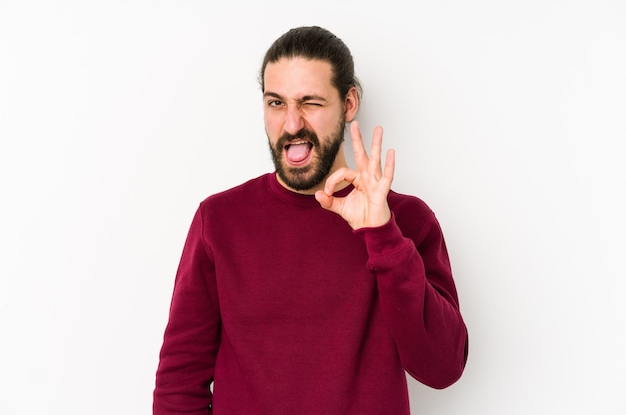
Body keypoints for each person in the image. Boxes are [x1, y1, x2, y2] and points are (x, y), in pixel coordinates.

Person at [153, 25, 468, 415]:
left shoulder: (406, 221)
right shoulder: (218, 220)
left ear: (349, 103)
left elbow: (443, 367)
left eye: (311, 103)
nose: (292, 124)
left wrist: (383, 236)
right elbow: (179, 383)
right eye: (276, 103)